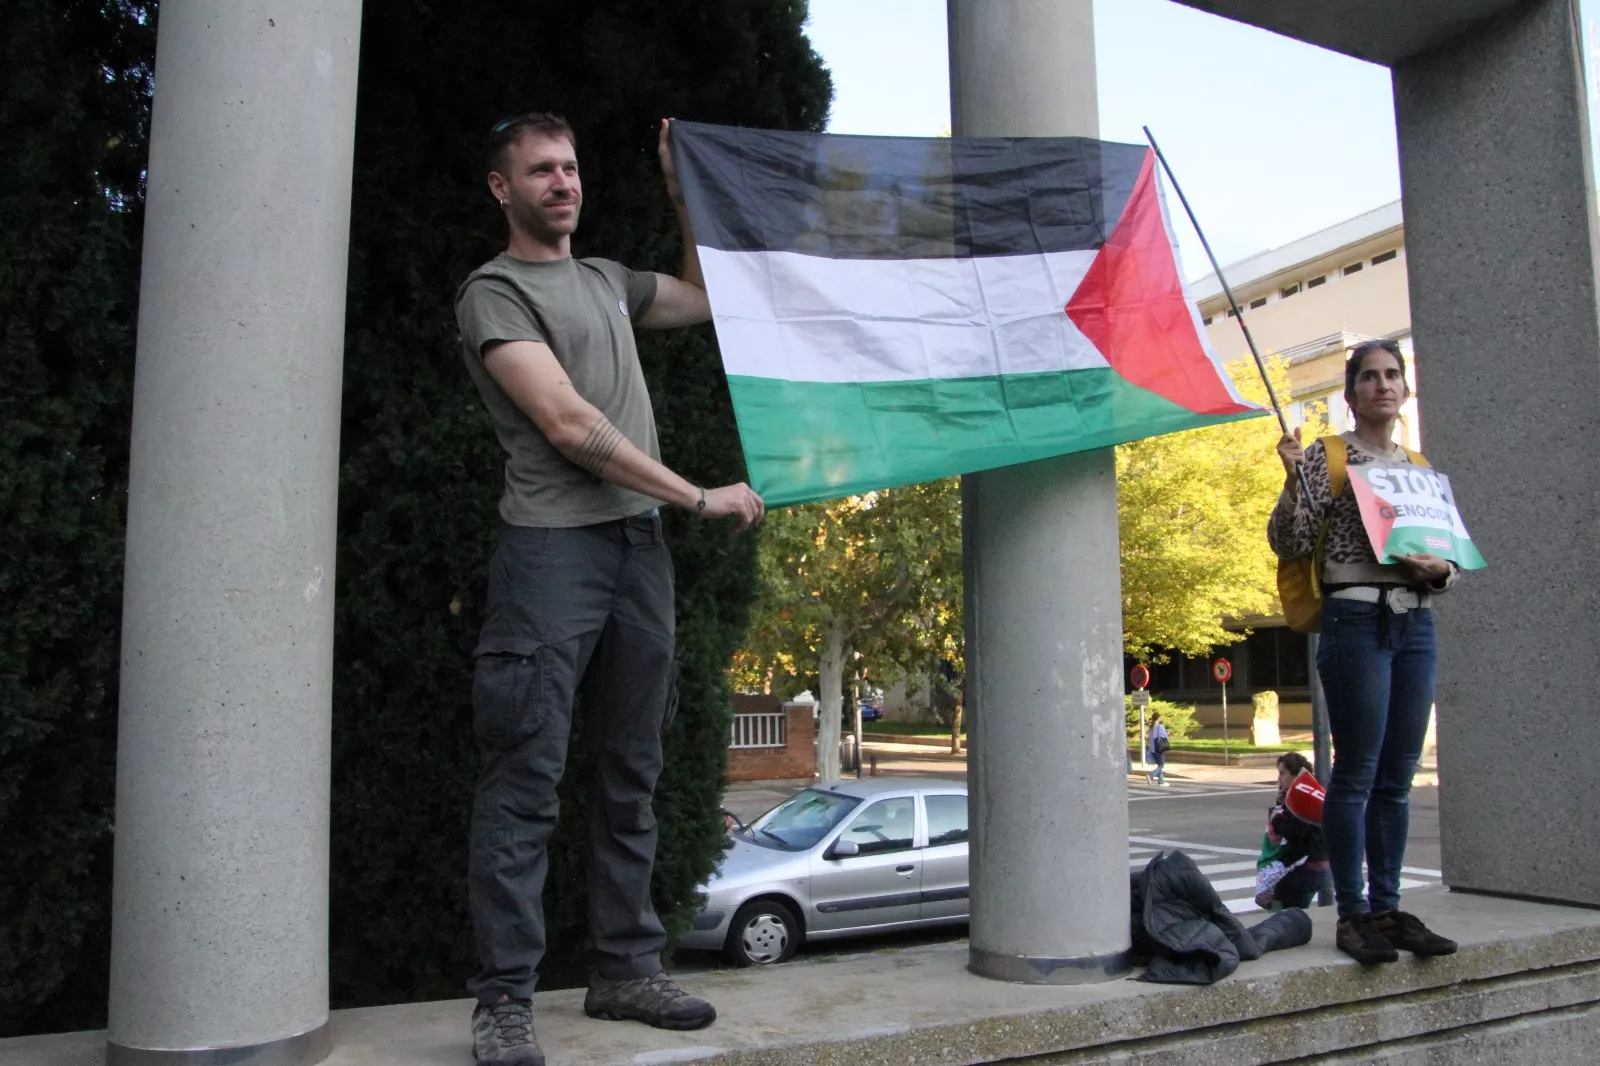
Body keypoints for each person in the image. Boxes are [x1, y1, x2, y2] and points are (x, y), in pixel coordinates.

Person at [454, 112, 765, 1066]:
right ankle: (504, 1001)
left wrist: (681, 185)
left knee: (634, 775)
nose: (564, 182)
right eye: (541, 170)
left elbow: (707, 299)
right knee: (525, 783)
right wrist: (696, 495)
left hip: (636, 554)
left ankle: (626, 968)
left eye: (573, 167)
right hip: (552, 554)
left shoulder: (604, 282)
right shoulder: (494, 293)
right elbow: (568, 425)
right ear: (503, 189)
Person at [1268, 338, 1458, 965]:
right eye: (1369, 377)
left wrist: (1441, 571)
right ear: (1350, 395)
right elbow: (1290, 540)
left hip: (1416, 622)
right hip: (1354, 620)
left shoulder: (1420, 466)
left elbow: (1448, 559)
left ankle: (1388, 907)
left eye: (1392, 375)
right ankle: (1352, 912)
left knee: (1396, 781)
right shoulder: (1330, 456)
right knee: (1355, 774)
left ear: (1405, 388)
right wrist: (1294, 480)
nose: (1383, 385)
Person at [1254, 753, 1331, 910]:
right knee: (1284, 909)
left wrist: (1278, 822)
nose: (1279, 779)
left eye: (1283, 774)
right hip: (1312, 869)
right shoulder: (1297, 798)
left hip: (1309, 870)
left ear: (1296, 775)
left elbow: (1299, 842)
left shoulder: (1301, 803)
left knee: (1284, 911)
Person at [1146, 712, 1169, 787]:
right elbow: (1165, 737)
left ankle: (1161, 781)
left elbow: (1149, 738)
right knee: (1161, 765)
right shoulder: (1160, 727)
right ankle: (1150, 776)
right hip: (1159, 748)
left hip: (1152, 749)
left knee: (1159, 765)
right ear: (1158, 718)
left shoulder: (1151, 728)